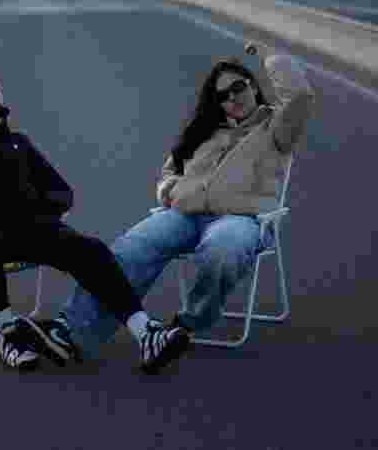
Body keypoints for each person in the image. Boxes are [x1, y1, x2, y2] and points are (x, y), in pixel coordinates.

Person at [30, 42, 316, 360]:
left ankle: (189, 322)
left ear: (253, 85)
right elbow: (170, 171)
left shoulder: (277, 128)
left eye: (237, 87)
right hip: (185, 215)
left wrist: (267, 53)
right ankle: (71, 333)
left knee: (223, 248)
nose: (232, 98)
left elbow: (300, 95)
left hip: (242, 219)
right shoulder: (205, 132)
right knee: (129, 249)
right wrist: (169, 192)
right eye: (222, 95)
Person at [0, 75, 189, 372]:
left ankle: (145, 333)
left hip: (29, 229)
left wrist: (39, 206)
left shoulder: (18, 144)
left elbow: (62, 191)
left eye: (0, 111)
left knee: (90, 249)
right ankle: (10, 335)